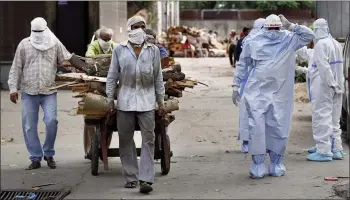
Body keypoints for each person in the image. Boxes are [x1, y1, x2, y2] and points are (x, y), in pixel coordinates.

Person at [231, 14, 314, 179]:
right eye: (271, 28)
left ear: (280, 27)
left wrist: (291, 26)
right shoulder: (253, 41)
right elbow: (242, 64)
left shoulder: (289, 40)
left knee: (279, 127)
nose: (274, 31)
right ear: (265, 28)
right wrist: (236, 85)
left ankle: (276, 162)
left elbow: (309, 36)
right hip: (257, 92)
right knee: (257, 128)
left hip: (281, 94)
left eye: (277, 28)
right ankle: (258, 163)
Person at [7, 17, 95, 170]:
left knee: (51, 121)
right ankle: (35, 157)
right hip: (29, 90)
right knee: (29, 126)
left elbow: (67, 59)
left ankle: (49, 153)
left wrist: (84, 69)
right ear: (31, 31)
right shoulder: (24, 44)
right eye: (36, 32)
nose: (39, 35)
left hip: (49, 91)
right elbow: (16, 68)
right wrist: (13, 89)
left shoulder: (54, 42)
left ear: (46, 29)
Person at [106, 15, 166, 194]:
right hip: (125, 102)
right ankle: (131, 177)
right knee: (125, 140)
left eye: (142, 26)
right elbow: (112, 76)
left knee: (149, 140)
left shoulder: (153, 50)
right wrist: (110, 99)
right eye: (135, 26)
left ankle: (146, 178)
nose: (139, 30)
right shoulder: (119, 50)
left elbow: (158, 77)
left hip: (147, 102)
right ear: (129, 29)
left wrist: (160, 101)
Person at [305, 19, 345, 162]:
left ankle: (323, 150)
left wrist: (331, 83)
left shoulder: (321, 44)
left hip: (325, 87)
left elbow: (323, 67)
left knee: (321, 117)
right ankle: (336, 148)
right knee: (334, 119)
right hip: (338, 86)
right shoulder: (334, 43)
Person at [83, 28, 117, 160]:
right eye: (104, 39)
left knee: (110, 122)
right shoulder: (93, 45)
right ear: (99, 38)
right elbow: (88, 57)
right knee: (90, 119)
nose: (107, 41)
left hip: (113, 83)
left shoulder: (115, 46)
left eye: (109, 39)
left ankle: (103, 150)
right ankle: (89, 149)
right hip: (96, 83)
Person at [237, 18, 266, 153]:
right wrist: (235, 85)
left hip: (264, 82)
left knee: (263, 113)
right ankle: (246, 140)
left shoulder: (269, 40)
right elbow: (242, 63)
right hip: (249, 81)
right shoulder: (249, 41)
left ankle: (259, 141)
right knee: (247, 112)